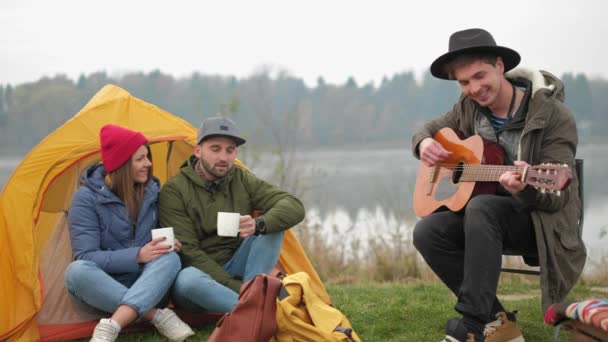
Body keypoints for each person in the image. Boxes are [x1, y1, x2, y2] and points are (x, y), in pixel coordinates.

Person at [411, 28, 585, 342]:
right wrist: (423, 142)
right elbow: (430, 128)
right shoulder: (467, 109)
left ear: (500, 66)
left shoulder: (553, 115)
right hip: (485, 222)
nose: (474, 89)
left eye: (480, 76)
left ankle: (474, 325)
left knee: (482, 207)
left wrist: (526, 187)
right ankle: (498, 324)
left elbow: (557, 194)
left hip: (539, 223)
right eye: (464, 82)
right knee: (427, 231)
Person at [158, 116, 305, 313]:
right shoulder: (174, 190)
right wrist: (235, 287)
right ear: (198, 150)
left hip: (240, 269)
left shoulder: (240, 178)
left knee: (273, 226)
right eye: (215, 148)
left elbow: (294, 206)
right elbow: (189, 253)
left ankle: (251, 303)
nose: (224, 158)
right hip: (200, 280)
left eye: (230, 150)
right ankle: (259, 308)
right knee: (187, 280)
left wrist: (258, 224)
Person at [65, 124, 195, 342]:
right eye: (141, 159)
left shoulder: (152, 192)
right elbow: (86, 256)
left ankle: (112, 326)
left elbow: (157, 247)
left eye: (148, 157)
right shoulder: (85, 199)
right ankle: (155, 315)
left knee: (170, 258)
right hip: (103, 290)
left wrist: (167, 245)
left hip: (147, 283)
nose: (149, 164)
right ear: (122, 163)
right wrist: (137, 255)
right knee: (76, 271)